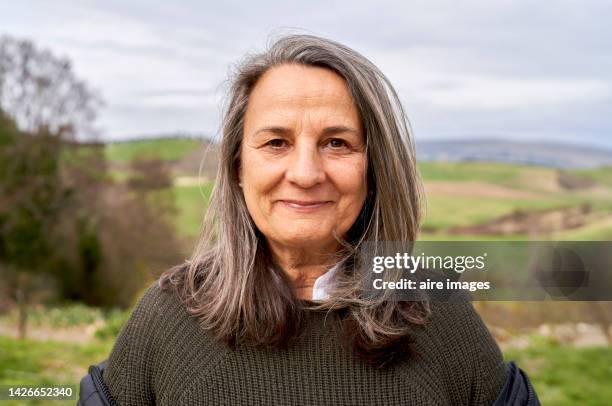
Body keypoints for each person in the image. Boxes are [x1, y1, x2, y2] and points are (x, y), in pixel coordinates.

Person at [92, 34, 538, 405]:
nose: (305, 174)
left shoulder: (440, 315)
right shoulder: (167, 316)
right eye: (276, 143)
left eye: (337, 143)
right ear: (237, 169)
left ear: (374, 168)